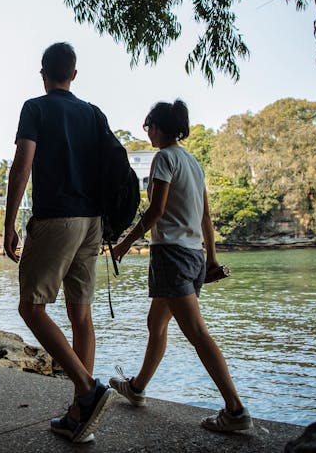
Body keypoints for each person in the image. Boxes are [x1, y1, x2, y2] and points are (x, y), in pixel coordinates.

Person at [108, 99, 253, 433]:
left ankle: (235, 410)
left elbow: (155, 211)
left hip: (171, 255)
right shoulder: (193, 162)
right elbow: (204, 215)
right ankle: (138, 387)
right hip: (193, 255)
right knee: (156, 322)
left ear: (157, 127)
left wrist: (124, 245)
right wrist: (212, 258)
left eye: (148, 127)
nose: (148, 134)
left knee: (197, 333)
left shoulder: (164, 158)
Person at [4, 42, 115, 443]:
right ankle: (77, 417)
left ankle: (87, 391)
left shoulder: (36, 107)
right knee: (80, 315)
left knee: (31, 308)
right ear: (74, 73)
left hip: (57, 219)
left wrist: (9, 223)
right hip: (93, 223)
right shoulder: (93, 113)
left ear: (43, 73)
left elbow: (22, 166)